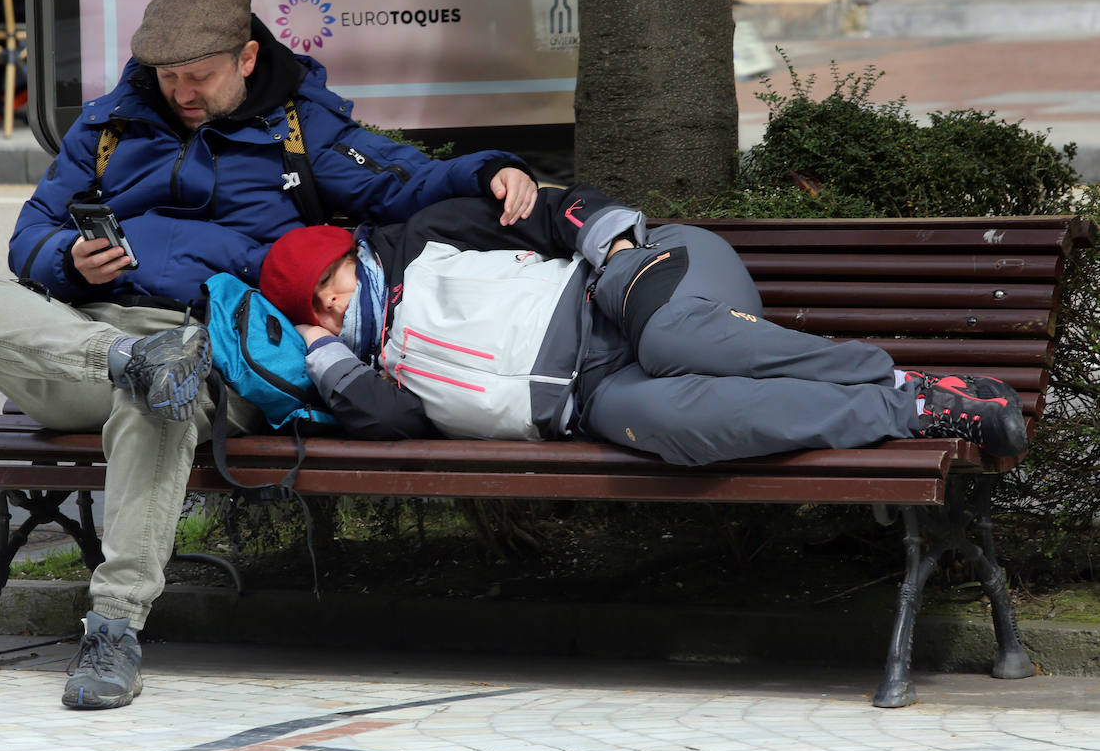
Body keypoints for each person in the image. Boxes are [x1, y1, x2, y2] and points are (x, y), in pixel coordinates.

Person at [0, 0, 538, 711]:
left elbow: (398, 180)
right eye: (167, 77)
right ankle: (127, 361)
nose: (181, 92)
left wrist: (494, 170)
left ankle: (115, 628)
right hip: (85, 342)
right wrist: (65, 259)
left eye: (199, 76)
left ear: (248, 58)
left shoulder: (297, 127)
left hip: (215, 344)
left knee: (167, 394)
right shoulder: (109, 126)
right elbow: (31, 234)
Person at [259, 184, 1028, 463]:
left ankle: (884, 371)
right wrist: (329, 361)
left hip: (633, 287)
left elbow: (555, 209)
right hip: (593, 397)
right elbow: (397, 426)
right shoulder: (369, 378)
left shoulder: (424, 241)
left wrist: (614, 245)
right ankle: (919, 405)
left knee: (671, 341)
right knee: (667, 421)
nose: (330, 305)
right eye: (314, 311)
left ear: (348, 255)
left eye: (332, 282)